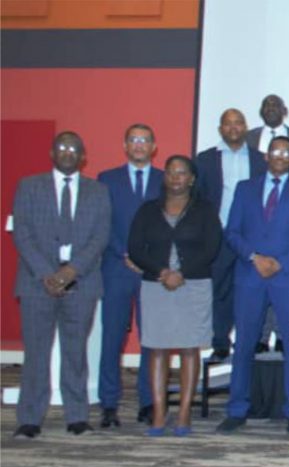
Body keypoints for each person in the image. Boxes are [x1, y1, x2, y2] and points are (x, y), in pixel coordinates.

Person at [218, 136, 289, 435]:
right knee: (244, 344)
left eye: (286, 153)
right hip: (250, 275)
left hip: (287, 277)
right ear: (266, 156)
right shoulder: (245, 188)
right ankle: (237, 409)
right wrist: (254, 257)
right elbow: (232, 231)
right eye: (275, 151)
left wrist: (281, 263)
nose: (280, 156)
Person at [11, 132, 111, 439]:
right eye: (62, 148)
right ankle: (30, 419)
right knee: (36, 353)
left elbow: (100, 236)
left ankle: (77, 417)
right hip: (36, 282)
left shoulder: (98, 191)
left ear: (83, 157)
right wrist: (47, 273)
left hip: (82, 281)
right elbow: (22, 233)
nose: (68, 153)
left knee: (75, 352)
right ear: (52, 153)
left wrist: (71, 271)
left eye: (74, 149)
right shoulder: (29, 186)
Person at [127, 155, 222, 437]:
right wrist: (162, 272)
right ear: (164, 177)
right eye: (171, 172)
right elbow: (135, 248)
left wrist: (181, 273)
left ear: (191, 179)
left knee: (189, 349)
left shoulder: (205, 209)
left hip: (193, 285)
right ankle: (159, 412)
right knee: (157, 349)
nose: (176, 178)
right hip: (156, 286)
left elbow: (212, 248)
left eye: (182, 173)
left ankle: (183, 413)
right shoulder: (148, 210)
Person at [97, 124, 163, 427]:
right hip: (117, 267)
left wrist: (147, 259)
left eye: (144, 140)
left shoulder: (165, 180)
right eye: (133, 140)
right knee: (112, 337)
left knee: (151, 338)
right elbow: (102, 224)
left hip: (151, 271)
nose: (139, 145)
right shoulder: (107, 179)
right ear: (125, 146)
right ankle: (109, 403)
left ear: (153, 147)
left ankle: (148, 401)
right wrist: (125, 253)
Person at [195, 109, 267, 364]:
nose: (234, 127)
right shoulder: (205, 160)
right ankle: (220, 343)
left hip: (250, 237)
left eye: (238, 123)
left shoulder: (260, 160)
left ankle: (248, 341)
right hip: (219, 235)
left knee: (250, 291)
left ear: (245, 127)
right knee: (219, 290)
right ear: (220, 129)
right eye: (228, 124)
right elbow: (198, 199)